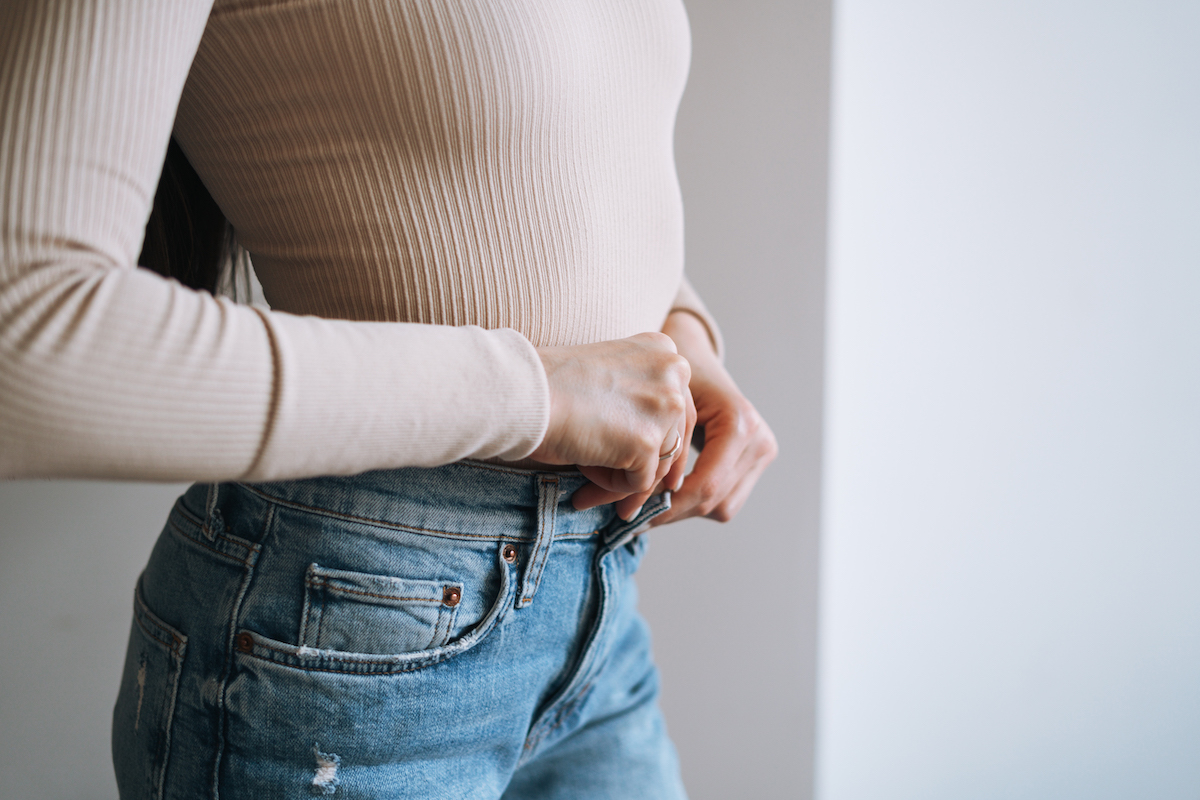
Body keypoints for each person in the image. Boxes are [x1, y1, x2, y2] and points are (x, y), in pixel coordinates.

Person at [0, 0, 777, 797]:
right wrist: (535, 391)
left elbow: (538, 148)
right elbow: (24, 333)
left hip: (598, 600)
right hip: (347, 629)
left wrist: (678, 337)